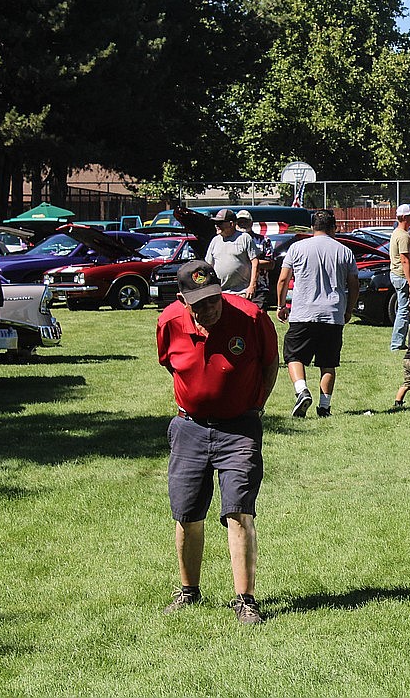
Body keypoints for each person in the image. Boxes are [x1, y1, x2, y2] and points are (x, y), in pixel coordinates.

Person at [156, 260, 278, 625]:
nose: (210, 309)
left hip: (239, 429)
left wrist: (256, 405)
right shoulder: (169, 322)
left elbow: (271, 363)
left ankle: (245, 600)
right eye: (200, 304)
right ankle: (189, 591)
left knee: (239, 511)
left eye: (214, 299)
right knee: (186, 514)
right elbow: (171, 365)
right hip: (189, 428)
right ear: (183, 300)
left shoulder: (251, 317)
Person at [276, 209, 358, 418]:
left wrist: (280, 305)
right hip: (332, 313)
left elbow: (283, 280)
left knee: (294, 356)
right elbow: (354, 284)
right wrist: (349, 310)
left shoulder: (296, 248)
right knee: (328, 362)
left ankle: (302, 390)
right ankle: (324, 406)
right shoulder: (344, 251)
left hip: (303, 312)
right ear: (334, 227)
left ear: (312, 227)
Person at [205, 209, 258, 301]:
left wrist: (252, 285)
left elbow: (255, 262)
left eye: (220, 223)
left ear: (231, 224)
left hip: (241, 292)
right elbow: (208, 266)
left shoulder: (244, 238)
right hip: (221, 293)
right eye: (215, 223)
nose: (216, 225)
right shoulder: (215, 240)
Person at [389, 204, 410, 351]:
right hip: (402, 276)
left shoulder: (398, 233)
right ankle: (397, 343)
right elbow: (405, 260)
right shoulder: (403, 236)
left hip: (397, 275)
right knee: (404, 310)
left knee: (403, 309)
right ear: (405, 218)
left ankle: (398, 342)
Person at [235, 210, 275, 308]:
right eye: (240, 221)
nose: (242, 224)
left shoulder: (263, 240)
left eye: (245, 221)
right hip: (237, 288)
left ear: (251, 223)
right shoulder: (232, 241)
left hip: (259, 288)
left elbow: (271, 264)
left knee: (258, 318)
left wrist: (251, 262)